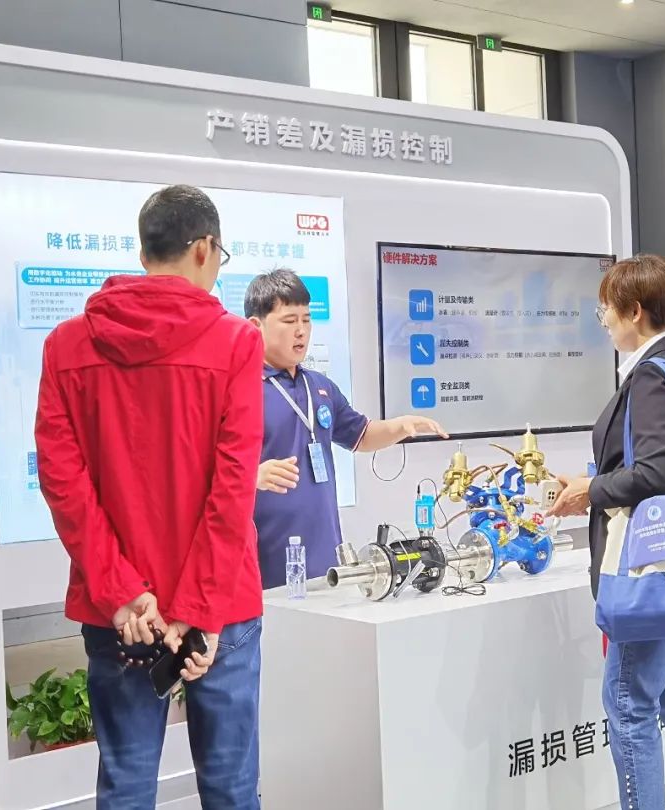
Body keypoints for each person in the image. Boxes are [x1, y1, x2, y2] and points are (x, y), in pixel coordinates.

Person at [35, 185, 265, 809]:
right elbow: (233, 486)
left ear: (144, 253)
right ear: (204, 248)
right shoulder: (235, 342)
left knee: (127, 784)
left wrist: (123, 594)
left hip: (121, 615)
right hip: (220, 608)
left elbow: (63, 482)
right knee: (230, 789)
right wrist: (198, 608)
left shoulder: (66, 346)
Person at [547, 254, 665, 810]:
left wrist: (592, 489)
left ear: (634, 311)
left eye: (606, 308)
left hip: (652, 569)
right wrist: (592, 485)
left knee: (630, 705)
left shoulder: (652, 376)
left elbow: (654, 473)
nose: (603, 320)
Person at [245, 269, 448, 588]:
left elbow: (361, 435)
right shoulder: (239, 388)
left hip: (324, 552)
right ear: (255, 326)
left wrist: (400, 426)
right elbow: (204, 470)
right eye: (289, 321)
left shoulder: (320, 386)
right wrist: (251, 476)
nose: (301, 331)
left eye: (306, 319)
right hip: (264, 557)